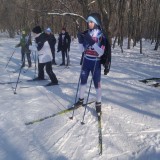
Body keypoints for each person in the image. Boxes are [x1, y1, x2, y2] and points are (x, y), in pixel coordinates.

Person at [75, 13, 111, 114]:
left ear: (96, 23)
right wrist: (80, 41)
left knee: (97, 84)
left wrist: (92, 43)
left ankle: (98, 104)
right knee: (83, 81)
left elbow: (101, 52)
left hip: (96, 63)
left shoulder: (101, 36)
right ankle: (80, 100)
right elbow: (82, 50)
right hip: (86, 61)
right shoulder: (86, 33)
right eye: (88, 22)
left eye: (91, 22)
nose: (89, 24)